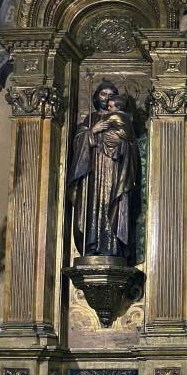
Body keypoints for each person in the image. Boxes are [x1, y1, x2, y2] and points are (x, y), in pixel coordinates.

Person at [67, 82, 139, 259]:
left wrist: (120, 142)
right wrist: (92, 132)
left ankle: (114, 247)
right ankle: (92, 244)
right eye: (103, 94)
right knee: (94, 205)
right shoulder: (90, 119)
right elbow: (77, 143)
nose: (106, 97)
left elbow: (132, 148)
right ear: (96, 97)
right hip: (93, 171)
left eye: (110, 94)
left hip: (115, 169)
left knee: (114, 202)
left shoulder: (122, 119)